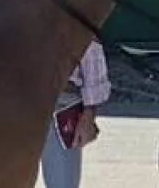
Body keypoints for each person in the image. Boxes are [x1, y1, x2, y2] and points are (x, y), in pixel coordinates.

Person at [38, 39, 111, 188]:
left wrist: (89, 113)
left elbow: (91, 48)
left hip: (60, 104)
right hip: (11, 104)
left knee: (62, 184)